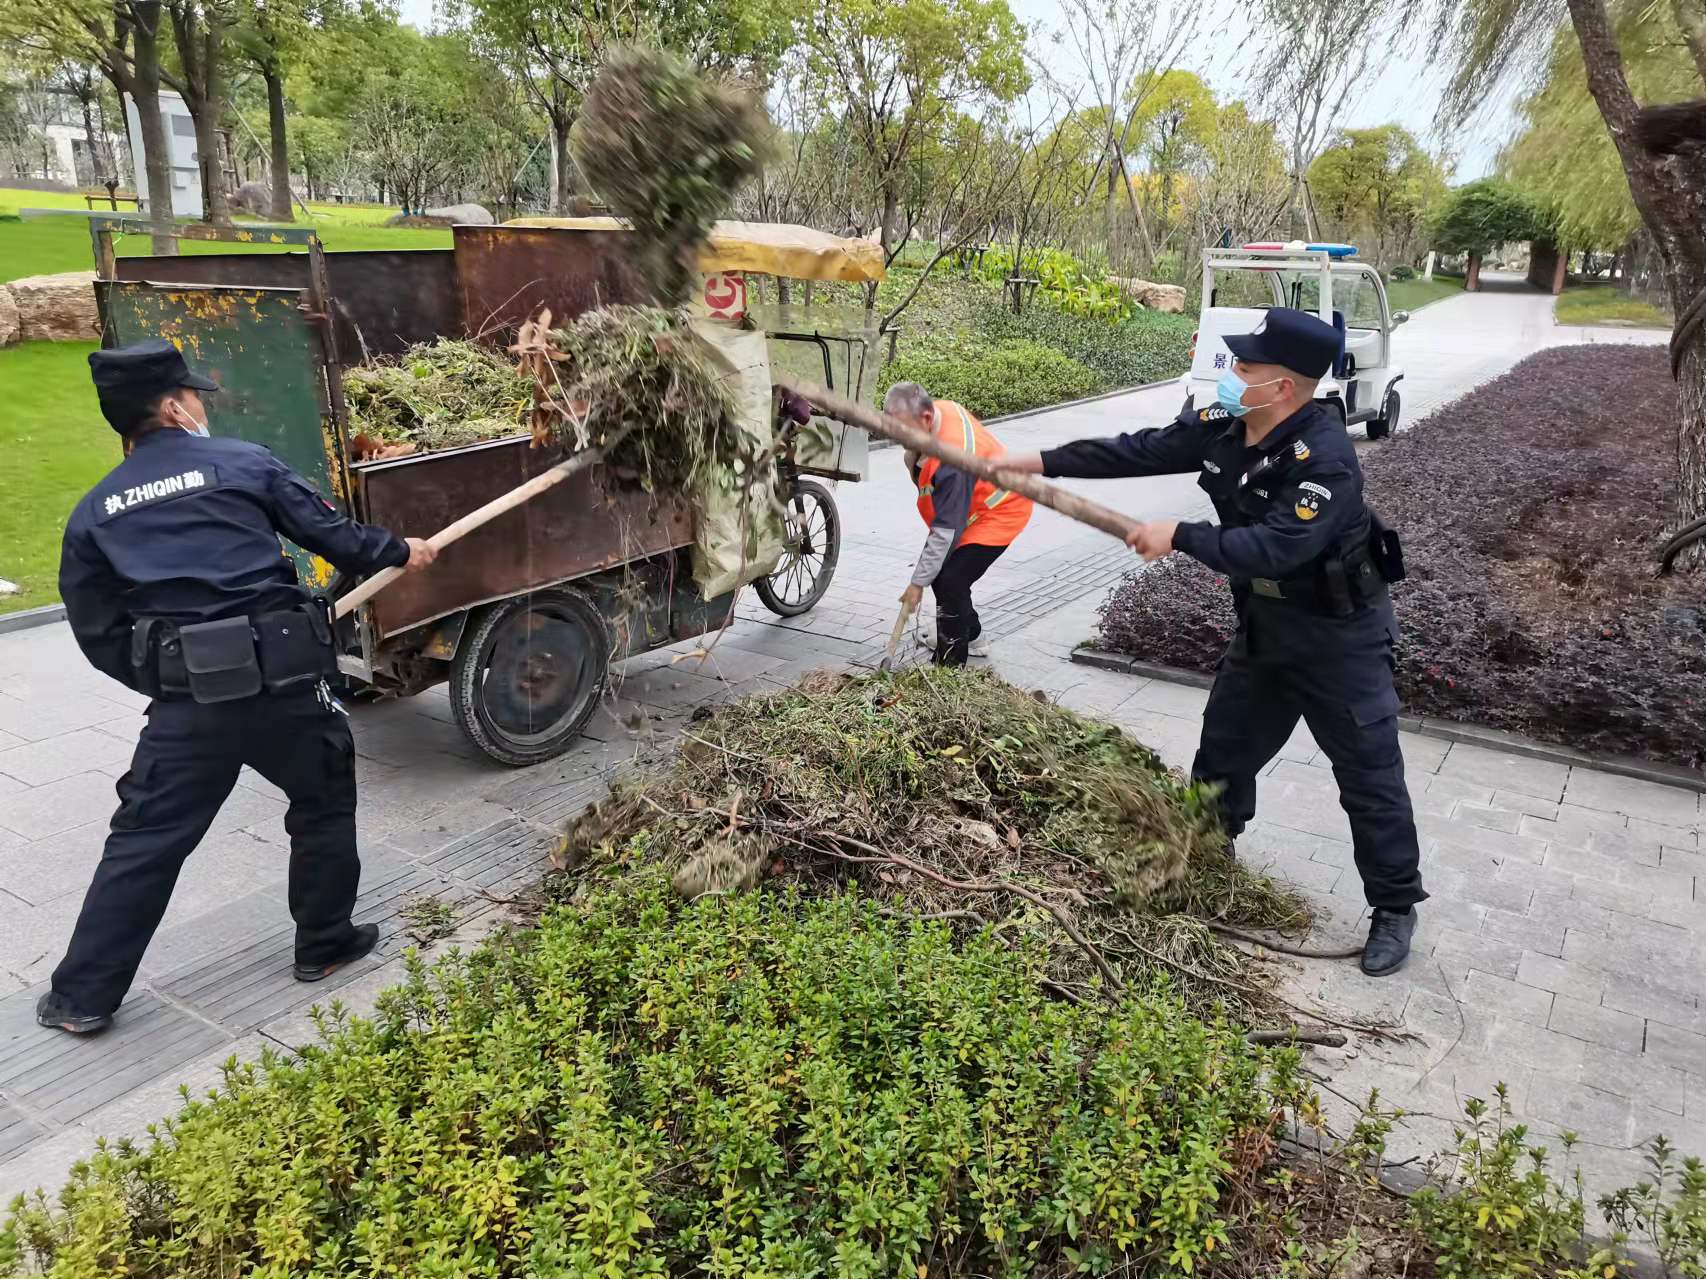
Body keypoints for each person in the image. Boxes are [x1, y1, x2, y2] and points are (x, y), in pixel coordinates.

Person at [1001, 309, 1425, 975]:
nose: (1232, 373)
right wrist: (1034, 461)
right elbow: (1138, 449)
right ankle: (1208, 857)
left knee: (1369, 777)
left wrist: (1180, 535)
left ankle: (1395, 905)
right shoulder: (1227, 424)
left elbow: (1276, 548)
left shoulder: (1327, 460)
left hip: (1340, 639)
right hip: (1266, 629)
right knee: (1222, 755)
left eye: (1246, 366)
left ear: (1282, 386)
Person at [37, 339, 437, 1036]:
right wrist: (402, 550)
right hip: (287, 689)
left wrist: (169, 673)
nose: (202, 406)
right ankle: (324, 944)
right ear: (173, 408)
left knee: (145, 839)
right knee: (322, 801)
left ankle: (82, 998)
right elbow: (335, 537)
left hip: (190, 708)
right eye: (194, 396)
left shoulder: (95, 513)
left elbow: (97, 630)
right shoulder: (243, 463)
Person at [884, 382, 1033, 666]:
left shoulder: (953, 459)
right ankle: (972, 635)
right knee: (946, 575)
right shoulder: (940, 411)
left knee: (950, 580)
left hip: (1002, 509)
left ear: (926, 418)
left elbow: (945, 531)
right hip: (973, 505)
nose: (897, 437)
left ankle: (949, 667)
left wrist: (917, 584)